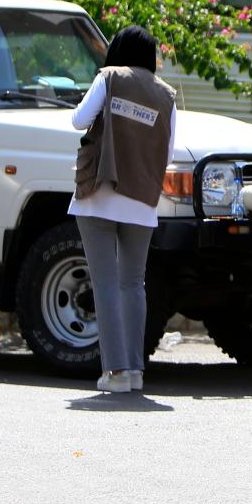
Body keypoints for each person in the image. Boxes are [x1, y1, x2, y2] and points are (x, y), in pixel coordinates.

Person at [69, 25, 177, 394]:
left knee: (104, 283)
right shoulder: (167, 95)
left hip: (100, 189)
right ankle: (134, 371)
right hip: (142, 199)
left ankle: (113, 372)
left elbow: (80, 120)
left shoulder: (109, 78)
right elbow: (170, 147)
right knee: (133, 283)